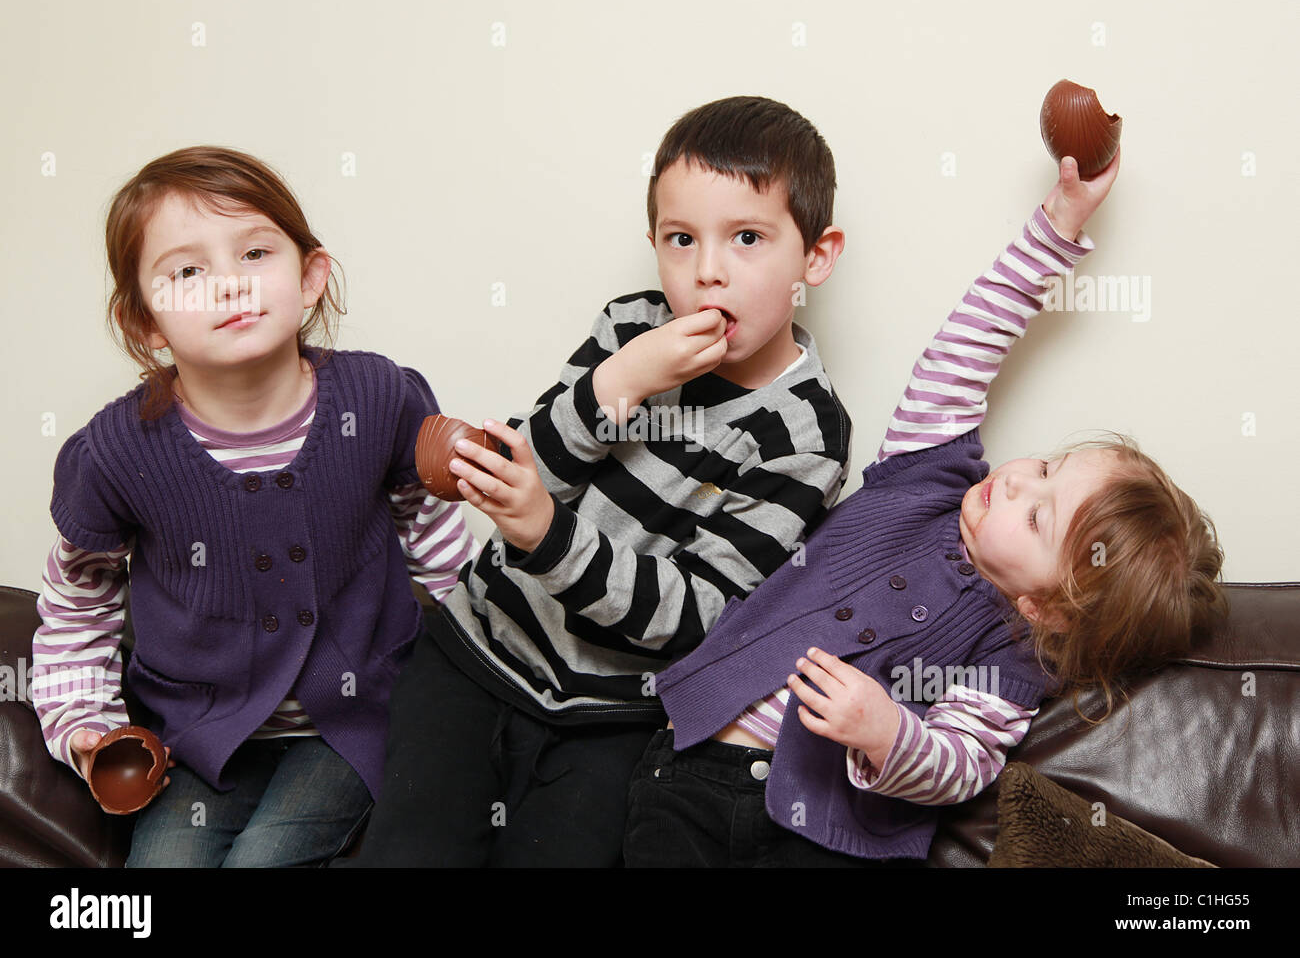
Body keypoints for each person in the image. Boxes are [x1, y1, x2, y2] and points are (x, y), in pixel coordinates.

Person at [624, 148, 1229, 866]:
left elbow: (964, 761)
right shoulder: (927, 477)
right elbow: (966, 346)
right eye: (1042, 467)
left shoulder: (1011, 657)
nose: (1013, 481)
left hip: (820, 835)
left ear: (1050, 608)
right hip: (693, 765)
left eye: (1038, 516)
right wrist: (1058, 224)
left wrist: (885, 731)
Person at [350, 95, 853, 866]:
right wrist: (622, 379)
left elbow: (696, 616)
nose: (708, 271)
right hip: (477, 653)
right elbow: (536, 466)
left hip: (616, 716)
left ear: (814, 258)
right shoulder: (629, 331)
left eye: (747, 238)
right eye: (681, 240)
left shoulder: (808, 435)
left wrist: (548, 533)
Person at [32, 146, 479, 867]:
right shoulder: (117, 452)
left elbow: (429, 528)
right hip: (200, 734)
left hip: (353, 718)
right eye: (187, 271)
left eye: (255, 253)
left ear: (309, 277)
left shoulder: (376, 397)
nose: (229, 286)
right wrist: (85, 720)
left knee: (263, 858)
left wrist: (475, 672)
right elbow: (79, 600)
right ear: (145, 323)